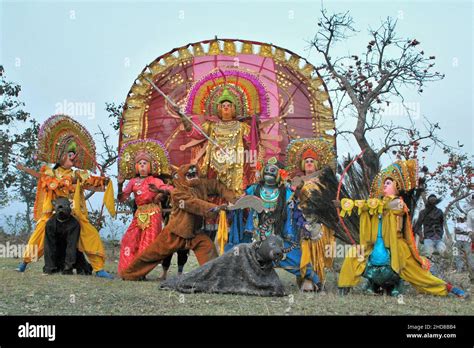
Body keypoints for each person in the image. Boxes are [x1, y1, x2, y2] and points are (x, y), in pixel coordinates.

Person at [337, 159, 467, 298]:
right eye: (383, 184)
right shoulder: (376, 204)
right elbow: (367, 206)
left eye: (388, 183)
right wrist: (344, 204)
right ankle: (344, 289)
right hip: (374, 246)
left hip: (397, 248)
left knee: (421, 276)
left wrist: (357, 204)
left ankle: (450, 289)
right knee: (353, 254)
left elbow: (384, 206)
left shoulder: (399, 204)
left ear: (397, 187)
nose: (384, 186)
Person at [16, 114, 115, 279]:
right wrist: (24, 169)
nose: (74, 158)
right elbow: (41, 178)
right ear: (62, 155)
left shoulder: (79, 174)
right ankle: (24, 263)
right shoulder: (50, 172)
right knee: (39, 232)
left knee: (90, 234)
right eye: (71, 155)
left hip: (74, 213)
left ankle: (99, 269)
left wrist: (103, 181)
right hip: (54, 212)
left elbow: (93, 183)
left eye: (75, 155)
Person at [119, 164, 236, 281]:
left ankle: (215, 279)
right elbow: (193, 204)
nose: (193, 174)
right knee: (153, 254)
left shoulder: (202, 185)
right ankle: (129, 274)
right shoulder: (177, 193)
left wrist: (233, 199)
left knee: (208, 248)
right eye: (189, 174)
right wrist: (215, 209)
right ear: (181, 177)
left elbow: (217, 186)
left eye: (194, 173)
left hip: (194, 233)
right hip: (175, 232)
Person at [239, 157, 321, 291]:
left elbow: (296, 207)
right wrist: (230, 206)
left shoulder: (286, 191)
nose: (269, 173)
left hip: (279, 235)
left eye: (273, 171)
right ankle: (251, 282)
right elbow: (238, 201)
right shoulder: (254, 189)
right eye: (267, 170)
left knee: (293, 257)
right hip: (257, 234)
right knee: (247, 256)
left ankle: (312, 278)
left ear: (280, 174)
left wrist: (304, 225)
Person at [116, 139, 174, 275]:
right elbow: (122, 198)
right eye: (139, 163)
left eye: (145, 163)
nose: (142, 166)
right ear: (135, 166)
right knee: (129, 239)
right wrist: (119, 184)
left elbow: (169, 189)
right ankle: (128, 269)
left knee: (147, 244)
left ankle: (140, 272)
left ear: (150, 166)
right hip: (139, 213)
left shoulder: (155, 180)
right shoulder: (132, 182)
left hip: (153, 213)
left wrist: (160, 191)